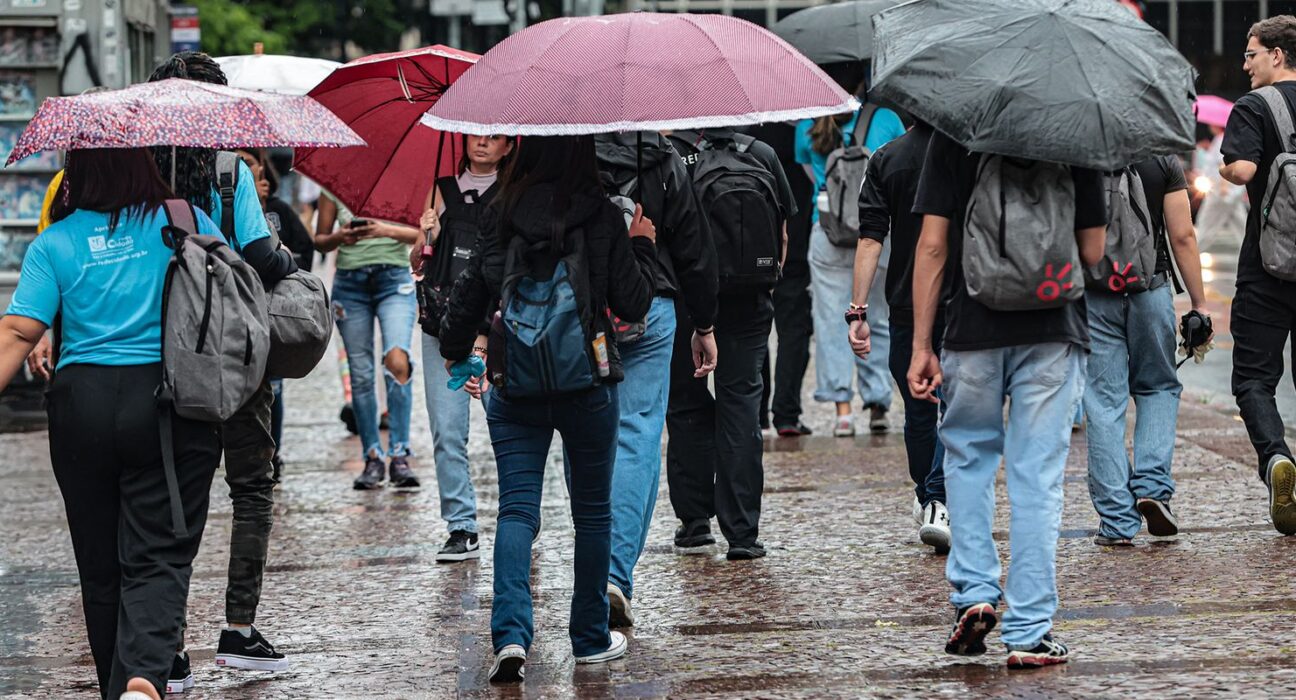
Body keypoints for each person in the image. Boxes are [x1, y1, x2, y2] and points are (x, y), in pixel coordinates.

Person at [0, 147, 225, 700]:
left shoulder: (54, 242)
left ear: (76, 177)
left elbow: (18, 333)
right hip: (168, 402)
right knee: (161, 551)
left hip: (83, 406)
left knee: (99, 566)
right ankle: (144, 679)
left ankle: (116, 688)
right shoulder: (184, 220)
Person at [438, 135, 658, 683]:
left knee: (516, 510)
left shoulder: (499, 212)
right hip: (588, 381)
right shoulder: (603, 215)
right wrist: (643, 244)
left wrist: (456, 350)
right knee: (592, 513)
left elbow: (467, 300)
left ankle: (510, 636)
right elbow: (634, 303)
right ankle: (588, 639)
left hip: (515, 383)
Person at [910, 130, 1106, 668]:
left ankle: (974, 592)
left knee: (968, 460)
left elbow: (932, 244)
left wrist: (922, 344)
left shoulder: (955, 135)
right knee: (1037, 477)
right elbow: (1092, 251)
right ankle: (1029, 631)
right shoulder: (1076, 137)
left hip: (971, 329)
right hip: (1053, 328)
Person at [146, 53, 299, 684]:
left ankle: (170, 644)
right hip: (236, 356)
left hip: (165, 354)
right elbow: (264, 258)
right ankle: (238, 629)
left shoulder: (138, 175)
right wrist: (288, 258)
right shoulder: (233, 173)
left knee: (173, 497)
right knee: (252, 487)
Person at [594, 131, 716, 625]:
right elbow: (692, 245)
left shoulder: (563, 144)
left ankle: (598, 568)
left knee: (590, 438)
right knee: (638, 435)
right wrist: (704, 323)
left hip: (583, 305)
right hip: (652, 302)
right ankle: (615, 573)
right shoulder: (661, 155)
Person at [665, 127, 797, 560]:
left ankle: (695, 522)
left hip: (687, 298)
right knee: (741, 403)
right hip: (750, 299)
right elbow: (781, 235)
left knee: (686, 402)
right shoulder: (762, 153)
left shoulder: (672, 154)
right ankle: (742, 533)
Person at [1083, 157, 1210, 546]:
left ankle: (1118, 522)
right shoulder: (1162, 159)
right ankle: (1153, 487)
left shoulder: (1081, 152)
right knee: (1157, 388)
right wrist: (1199, 304)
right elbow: (1183, 236)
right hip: (1150, 290)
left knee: (1104, 404)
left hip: (1095, 293)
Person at [850, 122, 950, 552]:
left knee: (919, 408)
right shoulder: (965, 153)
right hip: (963, 297)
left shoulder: (886, 158)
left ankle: (932, 495)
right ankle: (937, 498)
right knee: (958, 404)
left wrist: (858, 310)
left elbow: (871, 239)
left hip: (907, 301)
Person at [414, 133, 514, 562]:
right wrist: (425, 237)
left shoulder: (514, 195)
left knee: (508, 429)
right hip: (442, 327)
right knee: (447, 430)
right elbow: (419, 262)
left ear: (509, 146)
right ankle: (461, 525)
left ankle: (519, 516)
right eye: (477, 135)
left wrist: (486, 334)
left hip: (497, 331)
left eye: (495, 138)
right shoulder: (443, 188)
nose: (483, 144)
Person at [1219, 16, 1296, 536]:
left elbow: (1243, 171)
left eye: (1251, 54)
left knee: (1253, 377)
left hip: (1268, 268)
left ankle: (1275, 459)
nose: (1245, 64)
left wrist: (1226, 169)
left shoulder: (1254, 107)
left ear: (1277, 55)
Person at [796, 75, 906, 436]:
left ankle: (842, 411)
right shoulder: (886, 120)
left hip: (826, 231)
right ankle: (878, 401)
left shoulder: (807, 121)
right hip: (877, 233)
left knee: (831, 319)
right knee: (878, 317)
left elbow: (813, 178)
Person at [314, 187, 422, 490]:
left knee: (398, 360)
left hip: (395, 281)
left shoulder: (401, 181)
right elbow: (319, 241)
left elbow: (422, 234)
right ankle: (372, 457)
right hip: (350, 286)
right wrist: (340, 237)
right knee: (361, 375)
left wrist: (383, 229)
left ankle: (399, 454)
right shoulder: (333, 182)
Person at [747, 121, 816, 437]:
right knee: (794, 331)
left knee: (754, 331)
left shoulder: (745, 139)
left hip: (750, 249)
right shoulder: (803, 135)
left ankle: (757, 410)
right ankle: (786, 413)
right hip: (796, 245)